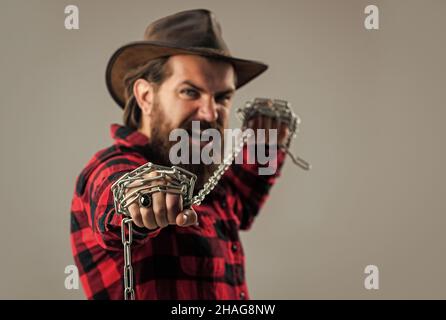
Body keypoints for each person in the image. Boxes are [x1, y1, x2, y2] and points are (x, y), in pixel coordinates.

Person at [70, 8, 289, 300]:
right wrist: (142, 200)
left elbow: (240, 203)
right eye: (190, 92)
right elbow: (115, 192)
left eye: (222, 97)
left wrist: (266, 143)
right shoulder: (109, 167)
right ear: (146, 97)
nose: (211, 113)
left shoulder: (200, 173)